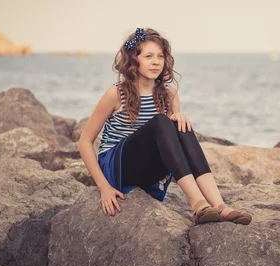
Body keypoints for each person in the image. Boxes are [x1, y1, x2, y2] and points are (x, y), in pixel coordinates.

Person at [78, 27, 252, 225]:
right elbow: (84, 141)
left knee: (179, 123)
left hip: (148, 173)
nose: (156, 61)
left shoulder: (169, 93)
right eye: (148, 56)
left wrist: (178, 117)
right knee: (162, 121)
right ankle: (198, 203)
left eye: (160, 56)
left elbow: (173, 147)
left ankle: (220, 206)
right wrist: (104, 187)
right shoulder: (116, 94)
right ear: (133, 60)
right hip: (118, 168)